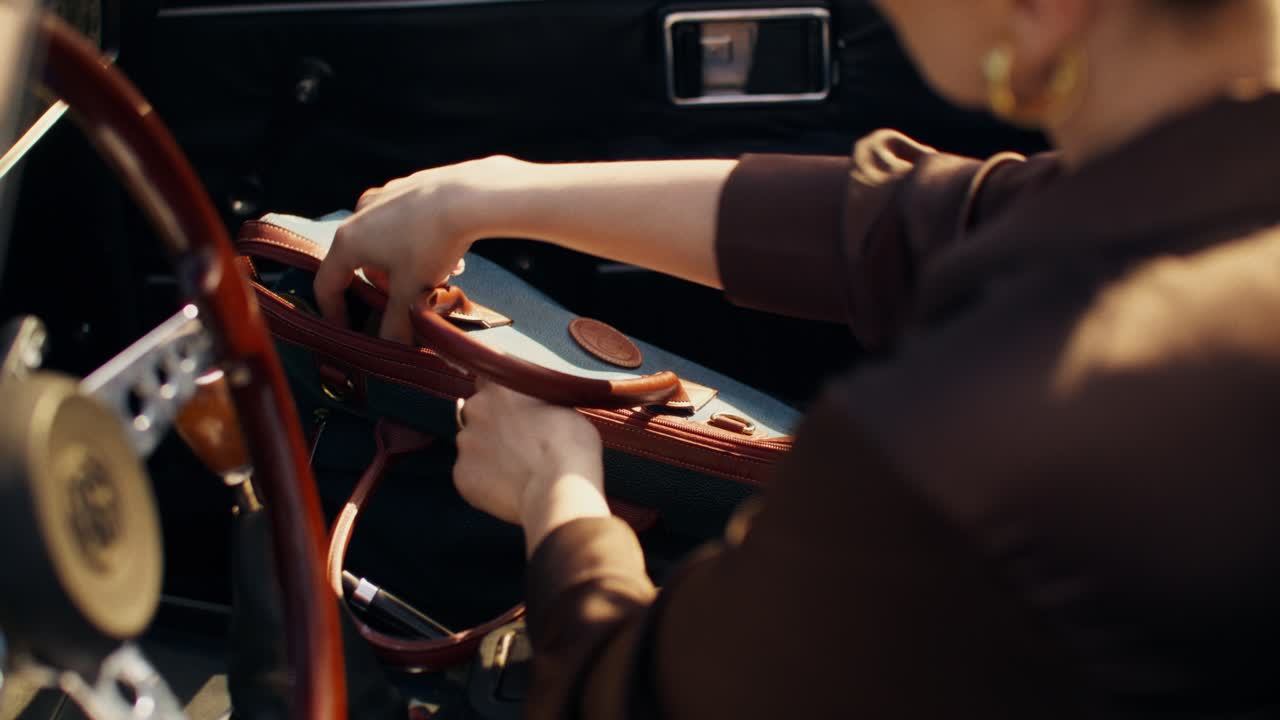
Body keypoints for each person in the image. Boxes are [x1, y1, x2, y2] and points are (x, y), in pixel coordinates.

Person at [313, 0, 1280, 716]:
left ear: (1040, 12)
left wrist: (554, 496)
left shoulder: (964, 439)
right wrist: (501, 193)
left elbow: (640, 696)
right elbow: (913, 222)